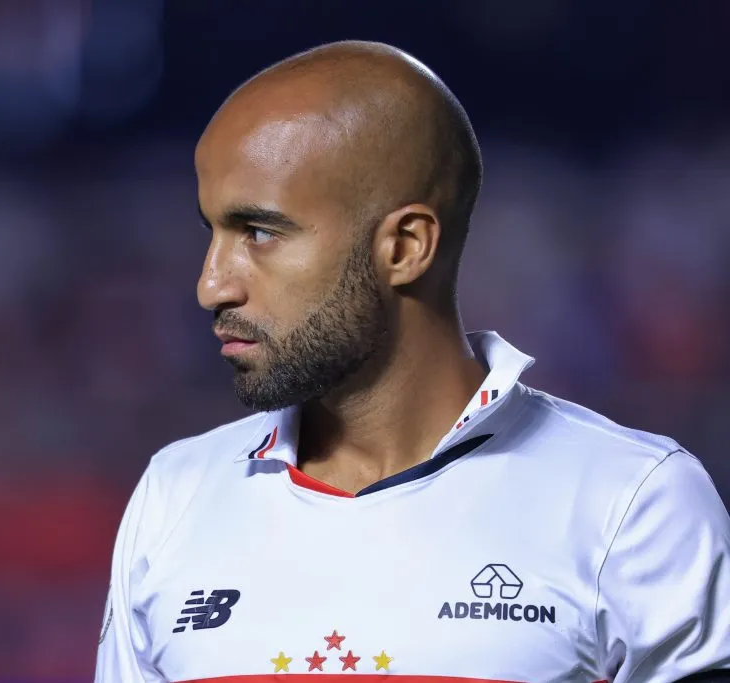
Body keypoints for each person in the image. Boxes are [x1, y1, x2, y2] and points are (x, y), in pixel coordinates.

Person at [93, 41, 730, 683]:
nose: (211, 286)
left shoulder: (636, 504)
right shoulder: (173, 498)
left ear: (405, 247)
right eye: (212, 233)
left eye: (259, 232)